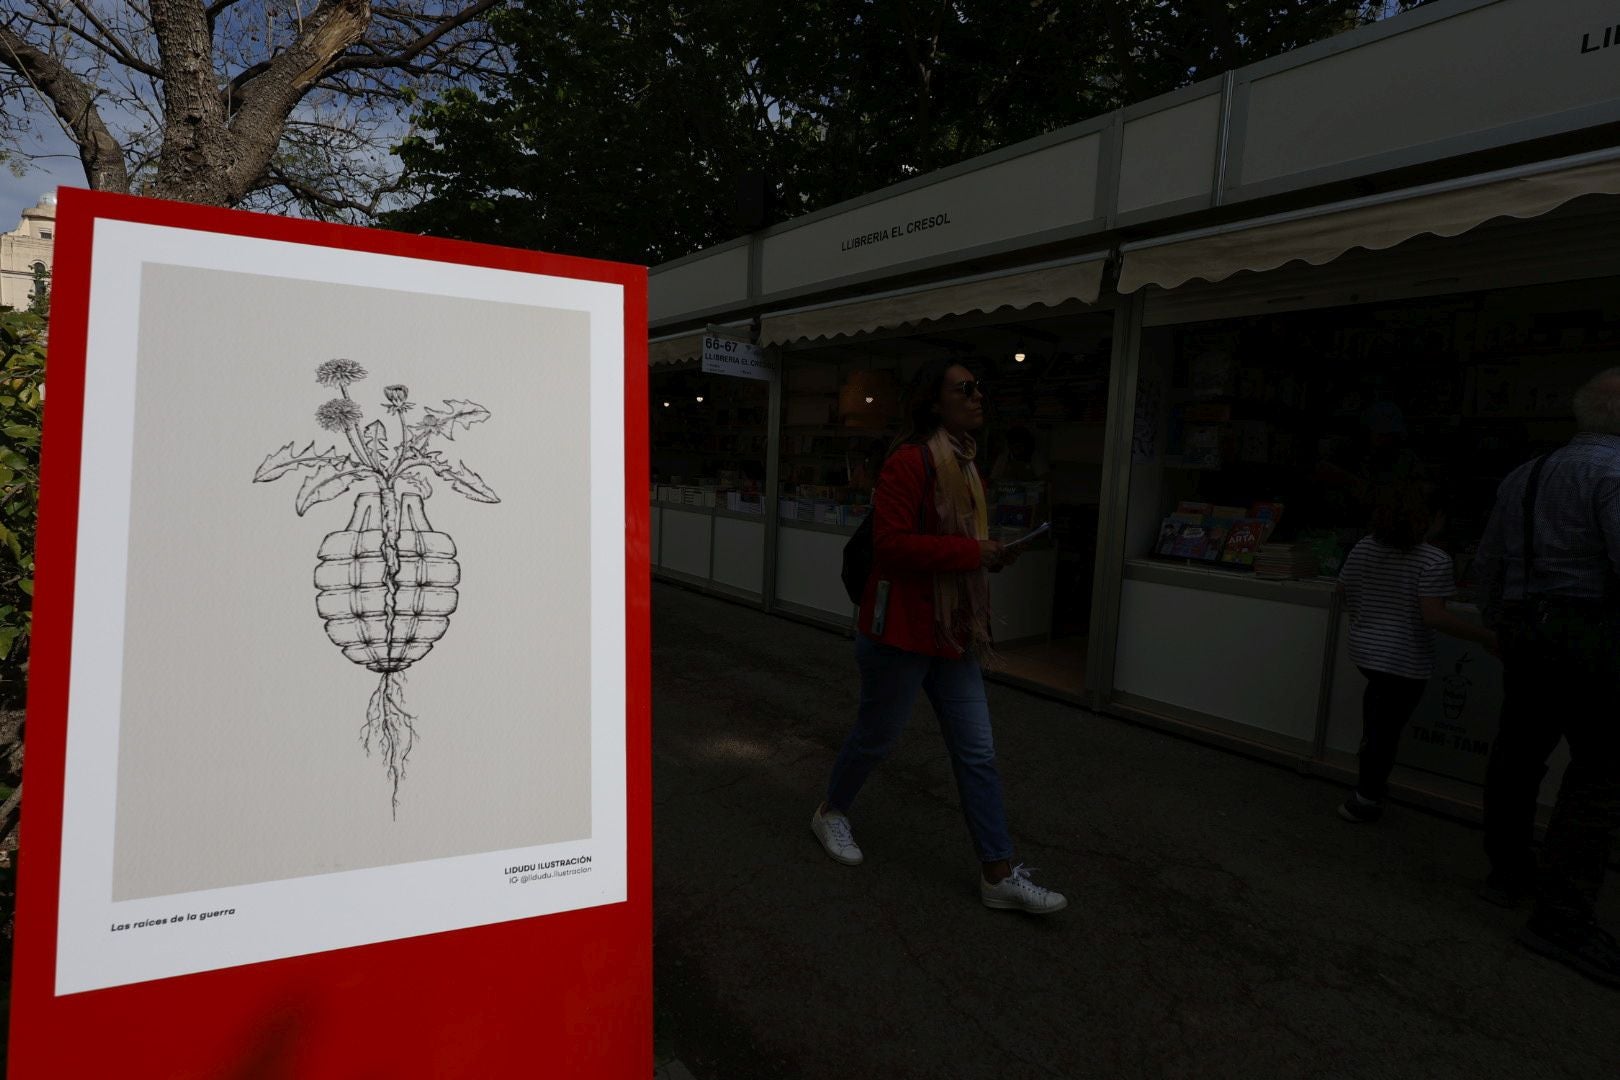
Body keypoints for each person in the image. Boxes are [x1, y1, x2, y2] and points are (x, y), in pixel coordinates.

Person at [809, 359, 1067, 914]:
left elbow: (957, 545)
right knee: (876, 738)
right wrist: (976, 552)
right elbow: (893, 545)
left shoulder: (970, 466)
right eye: (965, 389)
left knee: (978, 753)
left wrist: (990, 557)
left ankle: (998, 872)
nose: (978, 397)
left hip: (952, 633)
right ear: (934, 403)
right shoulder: (909, 463)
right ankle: (831, 813)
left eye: (980, 387)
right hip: (899, 630)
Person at [1472, 367, 1620, 989]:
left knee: (1519, 755)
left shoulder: (1524, 475)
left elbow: (1488, 568)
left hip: (1528, 630)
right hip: (1592, 635)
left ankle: (1507, 872)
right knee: (1599, 773)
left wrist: (1504, 626)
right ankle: (1561, 915)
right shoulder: (1614, 473)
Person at [1335, 483, 1498, 823]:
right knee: (1385, 731)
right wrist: (1487, 637)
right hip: (1404, 659)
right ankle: (1366, 798)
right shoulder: (1434, 560)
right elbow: (1434, 616)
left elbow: (1343, 588)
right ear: (1431, 518)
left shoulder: (1365, 547)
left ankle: (1371, 785)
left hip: (1366, 651)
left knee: (1377, 722)